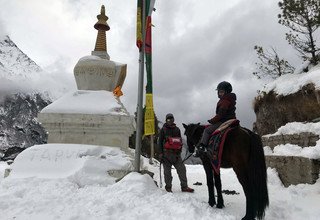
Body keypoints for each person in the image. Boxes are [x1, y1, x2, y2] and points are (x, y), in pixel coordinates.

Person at [158, 113, 194, 193]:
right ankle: (168, 188)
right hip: (166, 155)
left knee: (182, 170)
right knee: (167, 172)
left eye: (171, 119)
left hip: (176, 155)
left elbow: (180, 141)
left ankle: (184, 187)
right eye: (168, 119)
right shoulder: (163, 130)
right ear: (166, 120)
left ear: (173, 119)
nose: (170, 120)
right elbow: (160, 142)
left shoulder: (177, 129)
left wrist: (180, 151)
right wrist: (160, 153)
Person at [197, 81, 237, 150]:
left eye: (221, 92)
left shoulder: (224, 101)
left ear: (226, 92)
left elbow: (220, 114)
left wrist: (212, 121)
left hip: (223, 121)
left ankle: (202, 147)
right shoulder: (230, 99)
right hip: (232, 120)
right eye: (219, 92)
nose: (219, 93)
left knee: (207, 130)